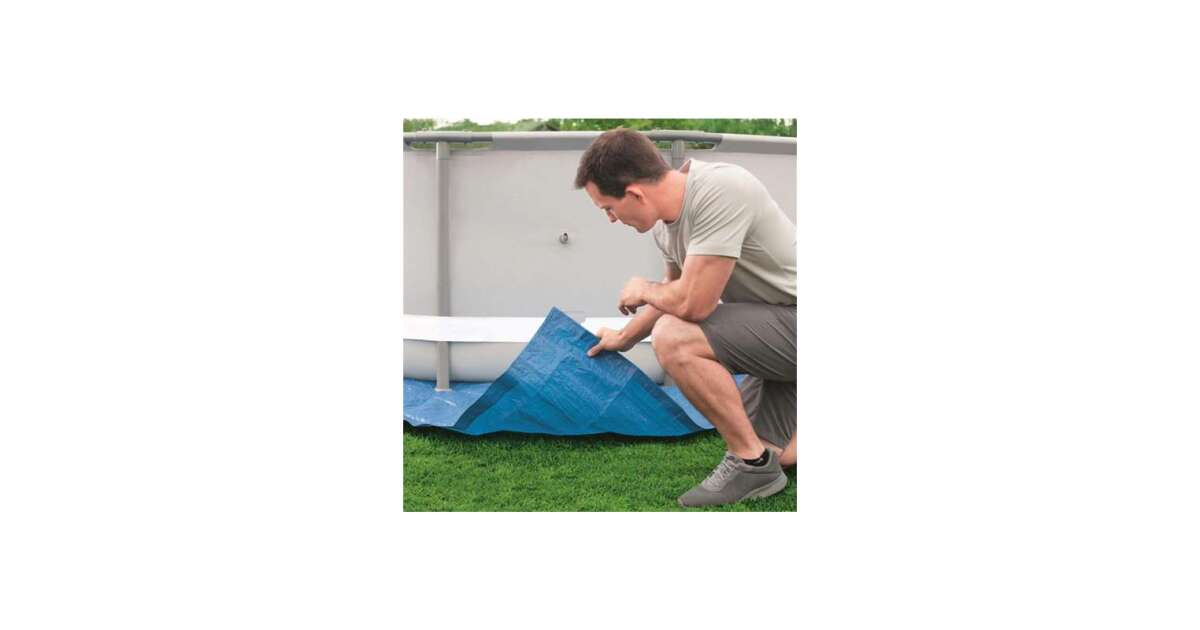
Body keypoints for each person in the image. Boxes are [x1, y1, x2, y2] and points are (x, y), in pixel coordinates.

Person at [574, 128, 797, 508]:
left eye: (608, 208)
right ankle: (765, 456)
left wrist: (644, 288)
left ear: (635, 194)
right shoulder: (666, 230)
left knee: (675, 337)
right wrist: (624, 338)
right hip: (780, 334)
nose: (610, 219)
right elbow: (673, 295)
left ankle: (751, 464)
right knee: (782, 456)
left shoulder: (722, 189)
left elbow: (693, 306)